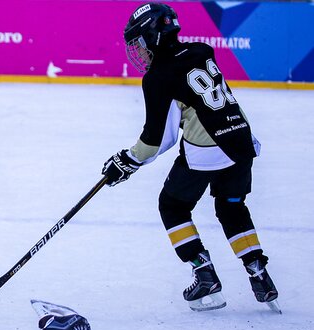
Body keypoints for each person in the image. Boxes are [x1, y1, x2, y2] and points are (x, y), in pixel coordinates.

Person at [101, 3, 279, 313]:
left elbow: (158, 139)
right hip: (241, 142)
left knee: (172, 206)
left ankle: (203, 273)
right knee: (231, 207)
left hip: (207, 152)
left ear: (154, 37)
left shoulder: (159, 77)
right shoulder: (201, 51)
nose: (137, 52)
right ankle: (259, 273)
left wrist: (126, 160)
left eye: (139, 42)